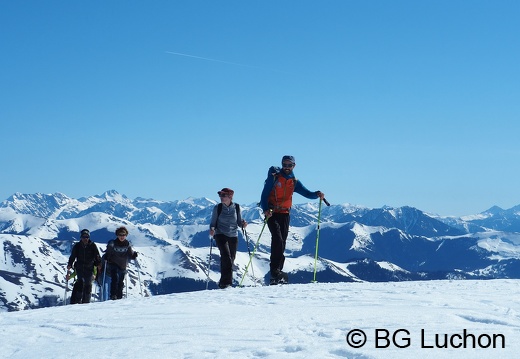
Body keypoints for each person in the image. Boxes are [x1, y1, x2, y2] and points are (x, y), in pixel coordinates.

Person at [260, 155, 325, 285]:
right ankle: (275, 271)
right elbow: (264, 194)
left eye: (289, 165)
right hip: (272, 213)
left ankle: (277, 272)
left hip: (285, 214)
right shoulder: (274, 178)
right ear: (282, 164)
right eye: (285, 165)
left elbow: (306, 193)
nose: (287, 167)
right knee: (277, 239)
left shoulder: (294, 181)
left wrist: (316, 194)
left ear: (294, 166)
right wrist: (265, 209)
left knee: (282, 242)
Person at [209, 188, 247, 289]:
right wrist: (212, 229)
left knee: (231, 259)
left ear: (230, 197)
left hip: (233, 236)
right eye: (220, 195)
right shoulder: (218, 208)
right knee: (226, 257)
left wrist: (243, 224)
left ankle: (223, 282)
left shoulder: (237, 207)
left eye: (223, 195)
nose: (221, 197)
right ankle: (227, 283)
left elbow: (239, 222)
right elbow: (213, 222)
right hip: (220, 234)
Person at [67, 229, 101, 304]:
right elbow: (72, 256)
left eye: (87, 237)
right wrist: (70, 264)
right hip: (79, 268)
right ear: (81, 237)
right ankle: (78, 302)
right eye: (84, 236)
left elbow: (97, 256)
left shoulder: (92, 246)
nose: (85, 238)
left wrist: (99, 264)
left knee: (88, 285)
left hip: (89, 268)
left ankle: (86, 302)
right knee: (80, 284)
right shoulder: (77, 246)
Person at [105, 226, 138, 300]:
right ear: (117, 235)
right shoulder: (113, 243)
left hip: (122, 266)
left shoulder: (127, 244)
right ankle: (113, 295)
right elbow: (108, 253)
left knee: (120, 281)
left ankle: (119, 296)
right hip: (113, 264)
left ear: (126, 235)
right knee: (115, 278)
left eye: (123, 235)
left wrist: (134, 255)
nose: (122, 237)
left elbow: (130, 254)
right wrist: (107, 257)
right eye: (120, 235)